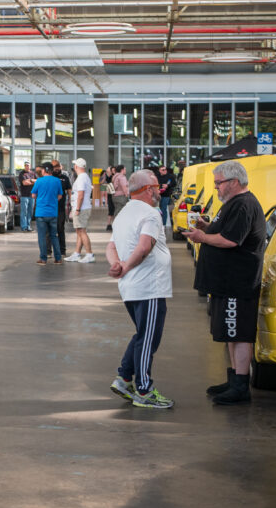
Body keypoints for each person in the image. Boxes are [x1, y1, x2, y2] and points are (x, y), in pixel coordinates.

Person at [184, 160, 266, 405]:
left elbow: (231, 240)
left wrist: (203, 237)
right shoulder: (234, 203)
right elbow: (226, 232)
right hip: (228, 283)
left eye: (219, 183)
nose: (216, 187)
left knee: (239, 334)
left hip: (237, 283)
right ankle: (234, 378)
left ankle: (241, 386)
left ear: (234, 182)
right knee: (232, 333)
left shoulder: (244, 205)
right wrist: (207, 227)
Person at [105, 169, 174, 409]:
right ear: (147, 190)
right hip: (149, 286)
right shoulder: (150, 214)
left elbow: (111, 247)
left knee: (143, 334)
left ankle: (124, 378)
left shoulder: (123, 214)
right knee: (148, 339)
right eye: (156, 186)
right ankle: (144, 389)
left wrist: (117, 265)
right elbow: (144, 247)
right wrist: (124, 266)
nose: (159, 190)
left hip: (132, 287)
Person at [31, 163, 64, 265]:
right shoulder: (57, 181)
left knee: (42, 236)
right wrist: (53, 200)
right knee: (54, 236)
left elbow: (33, 195)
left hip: (41, 213)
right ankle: (58, 258)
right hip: (53, 213)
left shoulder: (39, 181)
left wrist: (41, 197)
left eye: (42, 169)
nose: (41, 171)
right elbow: (60, 196)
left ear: (44, 170)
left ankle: (43, 259)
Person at [65, 158, 95, 263]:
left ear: (77, 166)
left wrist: (77, 209)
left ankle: (89, 254)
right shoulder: (84, 177)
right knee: (79, 231)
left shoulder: (82, 178)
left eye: (74, 165)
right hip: (82, 207)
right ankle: (77, 253)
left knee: (81, 231)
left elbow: (81, 195)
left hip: (81, 208)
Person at [53, 161, 72, 256]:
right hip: (50, 208)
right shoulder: (50, 177)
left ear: (61, 167)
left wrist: (71, 202)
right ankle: (48, 251)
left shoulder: (65, 178)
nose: (56, 168)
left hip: (60, 208)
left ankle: (62, 250)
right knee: (49, 230)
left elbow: (69, 190)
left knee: (60, 228)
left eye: (58, 166)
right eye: (55, 167)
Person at [18, 162, 35, 232]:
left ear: (30, 166)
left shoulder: (33, 174)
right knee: (24, 212)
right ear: (24, 166)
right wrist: (32, 181)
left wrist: (29, 180)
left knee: (30, 212)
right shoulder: (22, 174)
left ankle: (28, 226)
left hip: (32, 195)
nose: (27, 167)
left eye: (28, 165)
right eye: (26, 165)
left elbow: (37, 181)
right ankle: (24, 227)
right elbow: (24, 183)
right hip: (24, 196)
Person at [100, 165, 116, 231]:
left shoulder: (112, 176)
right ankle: (109, 224)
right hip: (111, 195)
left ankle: (111, 224)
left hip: (112, 194)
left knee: (112, 211)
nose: (113, 171)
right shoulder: (109, 177)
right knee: (111, 210)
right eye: (112, 170)